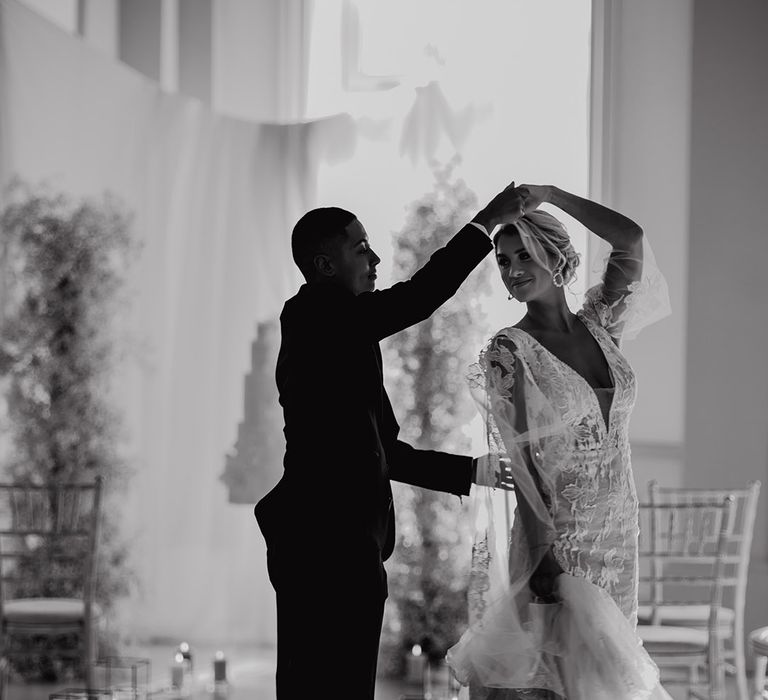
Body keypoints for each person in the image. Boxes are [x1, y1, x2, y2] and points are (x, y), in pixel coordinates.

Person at [254, 181, 525, 699]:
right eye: (360, 248)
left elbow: (387, 453)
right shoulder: (314, 316)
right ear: (324, 266)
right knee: (312, 688)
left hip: (350, 549)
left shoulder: (349, 335)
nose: (375, 258)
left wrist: (472, 472)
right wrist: (485, 221)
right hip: (318, 546)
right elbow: (421, 296)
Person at [448, 184, 672, 699]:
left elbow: (630, 239)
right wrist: (542, 551)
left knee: (605, 683)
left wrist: (548, 195)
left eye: (524, 254)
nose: (512, 269)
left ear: (558, 256)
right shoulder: (509, 350)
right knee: (555, 684)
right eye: (503, 261)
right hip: (559, 536)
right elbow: (520, 459)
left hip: (618, 534)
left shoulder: (601, 327)